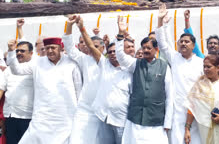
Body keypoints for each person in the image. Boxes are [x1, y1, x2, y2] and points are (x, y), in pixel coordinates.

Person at [6, 37, 82, 144]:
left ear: (60, 48)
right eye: (47, 48)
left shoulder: (71, 63)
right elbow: (16, 70)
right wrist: (11, 51)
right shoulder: (37, 63)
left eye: (53, 48)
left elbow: (78, 90)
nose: (50, 51)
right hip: (42, 117)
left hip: (66, 117)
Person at [115, 16, 173, 144]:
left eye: (148, 48)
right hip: (135, 120)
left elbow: (169, 96)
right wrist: (120, 34)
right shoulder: (135, 64)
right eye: (143, 48)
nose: (145, 50)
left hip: (156, 121)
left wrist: (168, 122)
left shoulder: (164, 66)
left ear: (156, 50)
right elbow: (120, 55)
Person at [156, 4, 203, 144]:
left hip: (196, 110)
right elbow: (162, 42)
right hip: (177, 111)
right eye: (181, 41)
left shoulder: (201, 62)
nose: (183, 44)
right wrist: (160, 21)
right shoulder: (175, 58)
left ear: (193, 45)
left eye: (187, 42)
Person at [63, 15, 106, 144]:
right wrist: (69, 25)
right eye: (91, 46)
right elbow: (70, 48)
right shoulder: (85, 59)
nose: (93, 48)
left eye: (96, 46)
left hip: (103, 111)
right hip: (84, 109)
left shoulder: (107, 62)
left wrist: (82, 27)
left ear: (103, 48)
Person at [0, 41, 34, 144]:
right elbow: (1, 89)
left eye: (22, 51)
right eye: (17, 50)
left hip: (28, 117)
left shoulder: (35, 68)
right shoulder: (8, 70)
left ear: (31, 53)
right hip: (10, 117)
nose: (19, 53)